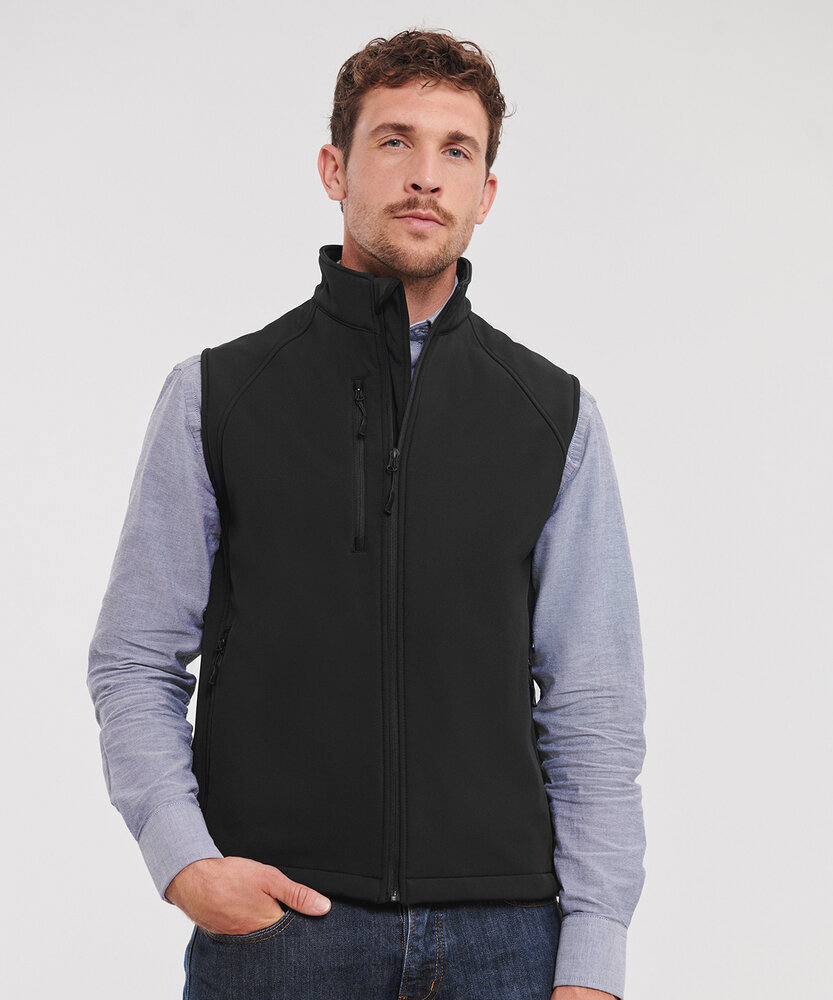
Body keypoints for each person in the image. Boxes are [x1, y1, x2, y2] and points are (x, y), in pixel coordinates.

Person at [87, 28, 647, 1000]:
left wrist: (593, 955)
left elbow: (593, 701)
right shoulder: (217, 395)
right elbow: (134, 657)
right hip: (280, 933)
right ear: (334, 169)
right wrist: (185, 861)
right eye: (394, 141)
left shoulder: (551, 415)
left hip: (505, 941)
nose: (425, 175)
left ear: (485, 193)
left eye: (455, 150)